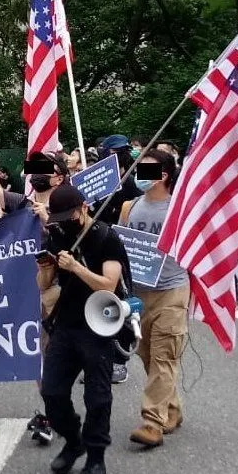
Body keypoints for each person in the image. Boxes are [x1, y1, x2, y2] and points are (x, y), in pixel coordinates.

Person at [38, 184, 130, 474]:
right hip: (66, 322)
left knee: (97, 396)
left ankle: (96, 456)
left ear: (84, 208)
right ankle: (73, 439)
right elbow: (43, 285)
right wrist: (46, 268)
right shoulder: (57, 234)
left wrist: (75, 267)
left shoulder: (106, 237)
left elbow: (108, 285)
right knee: (51, 391)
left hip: (98, 324)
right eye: (59, 218)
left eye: (70, 216)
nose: (65, 223)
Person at [0, 146, 65, 445]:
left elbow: (78, 242)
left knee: (57, 356)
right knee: (40, 357)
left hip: (60, 292)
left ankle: (63, 412)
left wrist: (48, 220)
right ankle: (52, 412)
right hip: (28, 292)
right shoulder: (22, 204)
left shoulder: (69, 206)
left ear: (59, 178)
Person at [118, 149, 188, 447]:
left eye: (146, 169)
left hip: (172, 289)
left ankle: (152, 423)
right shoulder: (129, 207)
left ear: (164, 175)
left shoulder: (179, 209)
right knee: (147, 355)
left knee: (164, 354)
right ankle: (171, 409)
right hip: (140, 292)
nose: (139, 174)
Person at [92, 134, 141, 385]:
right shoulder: (97, 182)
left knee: (123, 304)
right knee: (98, 303)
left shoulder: (132, 183)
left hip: (122, 252)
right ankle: (98, 359)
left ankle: (120, 359)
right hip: (96, 248)